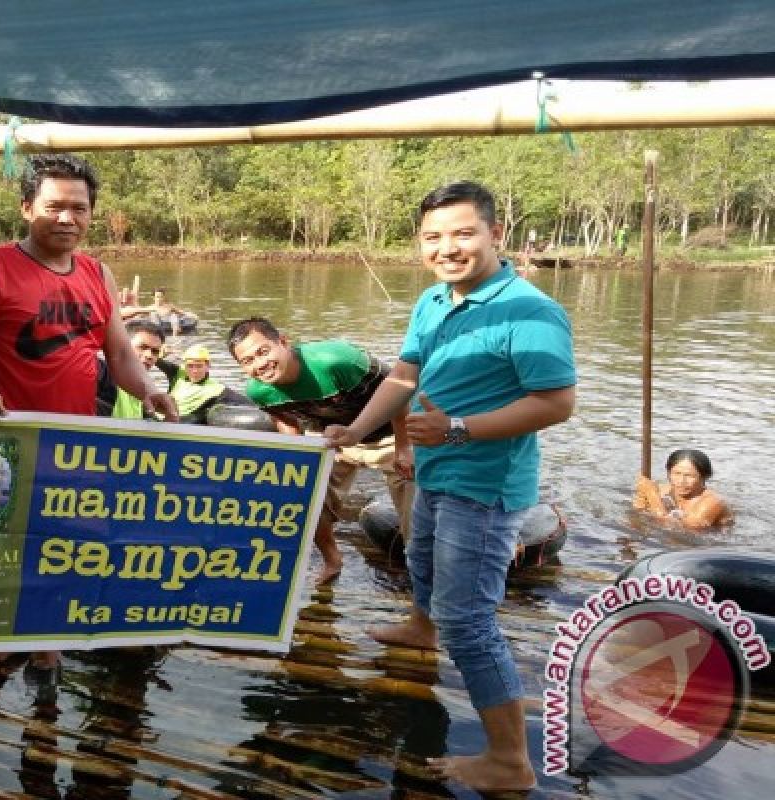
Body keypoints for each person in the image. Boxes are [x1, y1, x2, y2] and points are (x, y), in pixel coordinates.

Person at [323, 181, 576, 791]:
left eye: (464, 233)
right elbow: (405, 375)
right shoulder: (434, 301)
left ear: (496, 235)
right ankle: (420, 625)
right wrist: (353, 428)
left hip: (484, 488)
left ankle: (510, 761)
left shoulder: (530, 310)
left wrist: (457, 429)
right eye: (433, 237)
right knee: (420, 557)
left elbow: (557, 402)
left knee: (470, 621)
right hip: (435, 470)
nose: (448, 248)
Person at [0, 153, 179, 674]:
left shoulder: (98, 273)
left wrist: (149, 392)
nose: (67, 219)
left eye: (79, 208)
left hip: (77, 441)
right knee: (5, 544)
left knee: (64, 544)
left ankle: (47, 642)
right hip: (7, 438)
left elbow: (119, 353)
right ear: (27, 206)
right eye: (54, 206)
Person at [227, 317, 415, 587]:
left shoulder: (337, 360)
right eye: (247, 361)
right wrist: (296, 457)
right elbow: (285, 419)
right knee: (303, 493)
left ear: (283, 342)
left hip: (390, 435)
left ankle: (424, 581)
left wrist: (404, 447)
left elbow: (400, 390)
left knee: (417, 518)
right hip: (331, 440)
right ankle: (332, 559)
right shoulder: (258, 390)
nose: (259, 365)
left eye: (263, 351)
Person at [634, 449, 732, 529]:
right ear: (668, 473)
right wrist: (641, 504)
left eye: (690, 476)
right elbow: (640, 516)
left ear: (704, 477)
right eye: (677, 474)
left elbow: (683, 530)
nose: (681, 481)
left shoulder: (713, 502)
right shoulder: (662, 490)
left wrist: (652, 496)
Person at [95, 318, 168, 419]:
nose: (149, 355)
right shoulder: (100, 373)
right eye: (142, 347)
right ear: (121, 345)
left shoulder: (144, 389)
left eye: (155, 351)